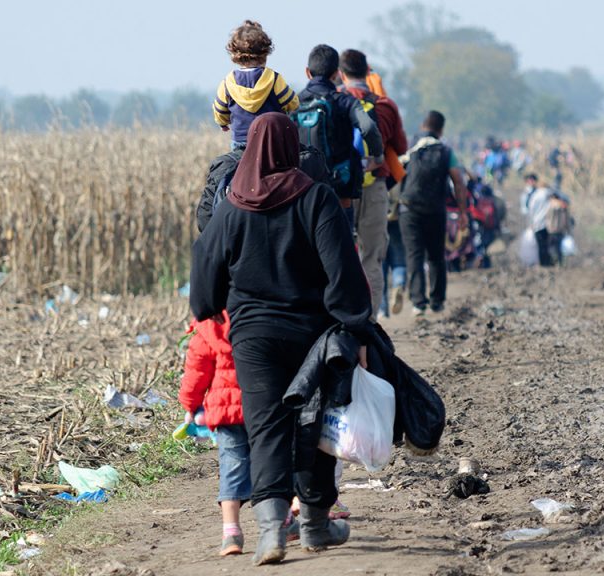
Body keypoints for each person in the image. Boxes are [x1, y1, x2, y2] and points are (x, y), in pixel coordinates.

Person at [190, 113, 372, 566]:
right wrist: (355, 326)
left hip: (252, 339)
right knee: (315, 424)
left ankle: (272, 531)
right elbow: (343, 271)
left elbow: (204, 264)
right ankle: (313, 523)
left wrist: (209, 306)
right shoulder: (317, 199)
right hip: (313, 335)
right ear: (293, 148)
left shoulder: (232, 206)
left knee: (266, 427)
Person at [338, 49, 408, 319]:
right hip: (376, 185)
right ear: (368, 72)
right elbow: (401, 146)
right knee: (372, 259)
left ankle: (345, 322)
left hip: (343, 190)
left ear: (341, 74)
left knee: (343, 257)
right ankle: (369, 324)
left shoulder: (336, 102)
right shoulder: (385, 106)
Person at [177, 313, 252, 557]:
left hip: (224, 411)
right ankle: (282, 521)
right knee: (268, 464)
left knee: (231, 468)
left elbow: (196, 373)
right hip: (259, 405)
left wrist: (190, 404)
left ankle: (231, 533)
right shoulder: (257, 313)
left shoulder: (207, 326)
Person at [298, 44, 383, 231]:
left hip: (304, 188)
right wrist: (378, 157)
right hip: (340, 187)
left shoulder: (294, 103)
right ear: (337, 74)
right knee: (342, 246)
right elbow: (368, 127)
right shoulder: (344, 102)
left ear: (307, 72)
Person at [398, 111, 470, 316]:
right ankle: (437, 301)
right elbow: (458, 181)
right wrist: (463, 212)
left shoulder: (410, 146)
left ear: (423, 126)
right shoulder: (446, 151)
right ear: (441, 129)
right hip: (435, 210)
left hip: (409, 209)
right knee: (436, 255)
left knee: (414, 255)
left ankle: (418, 302)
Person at [213, 20, 300, 148]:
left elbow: (219, 111)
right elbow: (293, 103)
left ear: (234, 55)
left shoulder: (227, 83)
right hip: (272, 139)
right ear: (265, 53)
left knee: (237, 167)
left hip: (241, 141)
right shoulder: (274, 79)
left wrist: (223, 123)